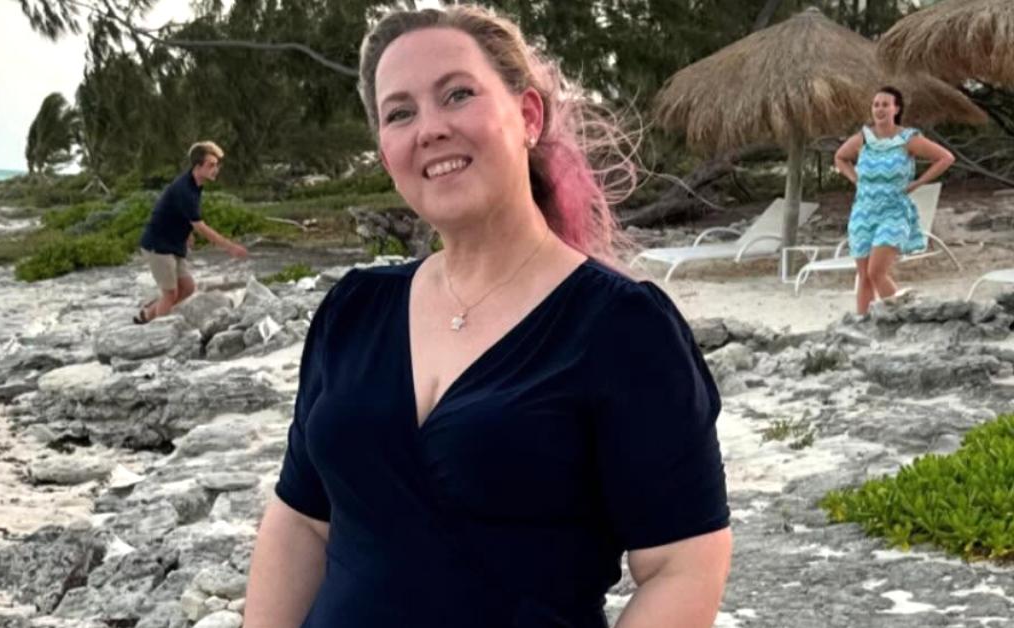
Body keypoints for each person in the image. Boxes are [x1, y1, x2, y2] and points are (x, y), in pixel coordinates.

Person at [244, 5, 731, 627]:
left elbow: (685, 563)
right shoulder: (354, 310)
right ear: (386, 152)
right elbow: (302, 521)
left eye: (457, 94)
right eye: (400, 112)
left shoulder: (623, 329)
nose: (430, 128)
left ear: (528, 116)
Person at [834, 87, 955, 316]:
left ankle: (903, 317)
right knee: (864, 275)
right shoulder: (863, 139)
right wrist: (855, 179)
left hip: (894, 211)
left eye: (885, 104)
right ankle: (863, 323)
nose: (879, 109)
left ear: (896, 109)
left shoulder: (907, 139)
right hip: (862, 212)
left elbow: (945, 158)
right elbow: (840, 158)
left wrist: (917, 183)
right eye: (876, 104)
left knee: (876, 271)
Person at [134, 141, 248, 324]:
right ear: (198, 166)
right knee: (170, 294)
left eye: (217, 165)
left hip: (174, 243)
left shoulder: (195, 183)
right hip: (158, 246)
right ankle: (158, 333)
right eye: (211, 165)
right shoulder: (185, 189)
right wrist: (230, 247)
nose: (216, 169)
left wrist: (187, 233)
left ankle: (147, 314)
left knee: (187, 288)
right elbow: (201, 226)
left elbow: (177, 212)